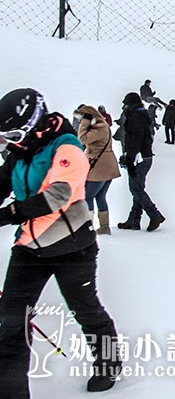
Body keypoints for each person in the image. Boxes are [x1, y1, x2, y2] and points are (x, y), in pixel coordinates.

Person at [0, 88, 122, 395]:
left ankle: (109, 363)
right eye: (4, 136)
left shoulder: (67, 147)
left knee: (86, 310)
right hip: (29, 248)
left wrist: (10, 213)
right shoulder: (20, 150)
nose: (10, 141)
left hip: (72, 246)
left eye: (14, 133)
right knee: (12, 321)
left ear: (34, 121)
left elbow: (56, 197)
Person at [117, 92, 166, 230]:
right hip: (144, 156)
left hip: (140, 156)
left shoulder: (136, 117)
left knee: (136, 188)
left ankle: (154, 215)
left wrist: (130, 157)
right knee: (137, 188)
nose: (124, 106)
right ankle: (134, 220)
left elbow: (135, 139)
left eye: (125, 103)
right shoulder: (139, 115)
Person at [75, 104, 120, 235]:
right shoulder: (102, 126)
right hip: (106, 165)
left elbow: (82, 139)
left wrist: (84, 122)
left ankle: (87, 228)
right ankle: (104, 227)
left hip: (100, 166)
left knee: (87, 196)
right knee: (100, 197)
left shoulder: (99, 128)